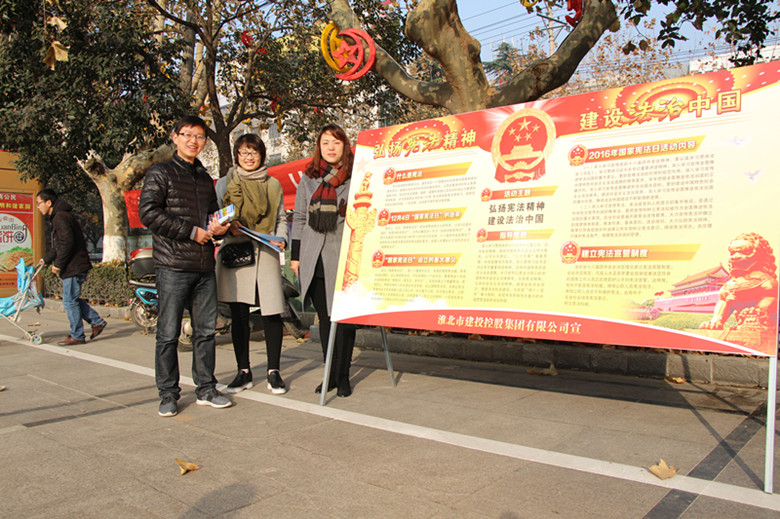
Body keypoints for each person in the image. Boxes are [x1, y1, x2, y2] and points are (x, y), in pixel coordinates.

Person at [139, 115, 233, 417]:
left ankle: (206, 388)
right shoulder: (160, 172)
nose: (194, 141)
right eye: (188, 135)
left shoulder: (205, 179)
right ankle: (168, 393)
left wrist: (219, 227)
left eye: (200, 136)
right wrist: (192, 232)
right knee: (168, 333)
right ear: (175, 137)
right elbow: (148, 213)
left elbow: (212, 215)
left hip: (204, 265)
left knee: (205, 332)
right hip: (173, 265)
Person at [216, 134, 289, 395]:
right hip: (236, 252)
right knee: (239, 314)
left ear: (262, 155)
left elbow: (281, 217)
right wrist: (227, 227)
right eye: (244, 152)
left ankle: (273, 371)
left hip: (266, 250)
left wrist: (281, 238)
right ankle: (243, 371)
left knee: (272, 311)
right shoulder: (225, 183)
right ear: (236, 155)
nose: (249, 157)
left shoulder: (273, 184)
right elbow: (217, 216)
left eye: (254, 152)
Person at [290, 124, 356, 397]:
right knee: (326, 318)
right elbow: (299, 218)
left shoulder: (355, 177)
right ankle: (330, 373)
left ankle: (344, 375)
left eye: (336, 142)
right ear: (319, 147)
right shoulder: (309, 178)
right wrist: (295, 257)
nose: (330, 147)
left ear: (344, 147)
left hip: (342, 256)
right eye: (325, 142)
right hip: (312, 256)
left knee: (344, 318)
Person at [36, 189, 107, 346]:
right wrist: (46, 259)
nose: (38, 207)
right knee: (71, 299)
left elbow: (67, 242)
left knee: (69, 301)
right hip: (74, 265)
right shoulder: (60, 216)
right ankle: (96, 322)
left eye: (39, 203)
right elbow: (59, 245)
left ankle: (77, 335)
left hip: (73, 266)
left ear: (49, 202)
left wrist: (58, 264)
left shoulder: (60, 217)